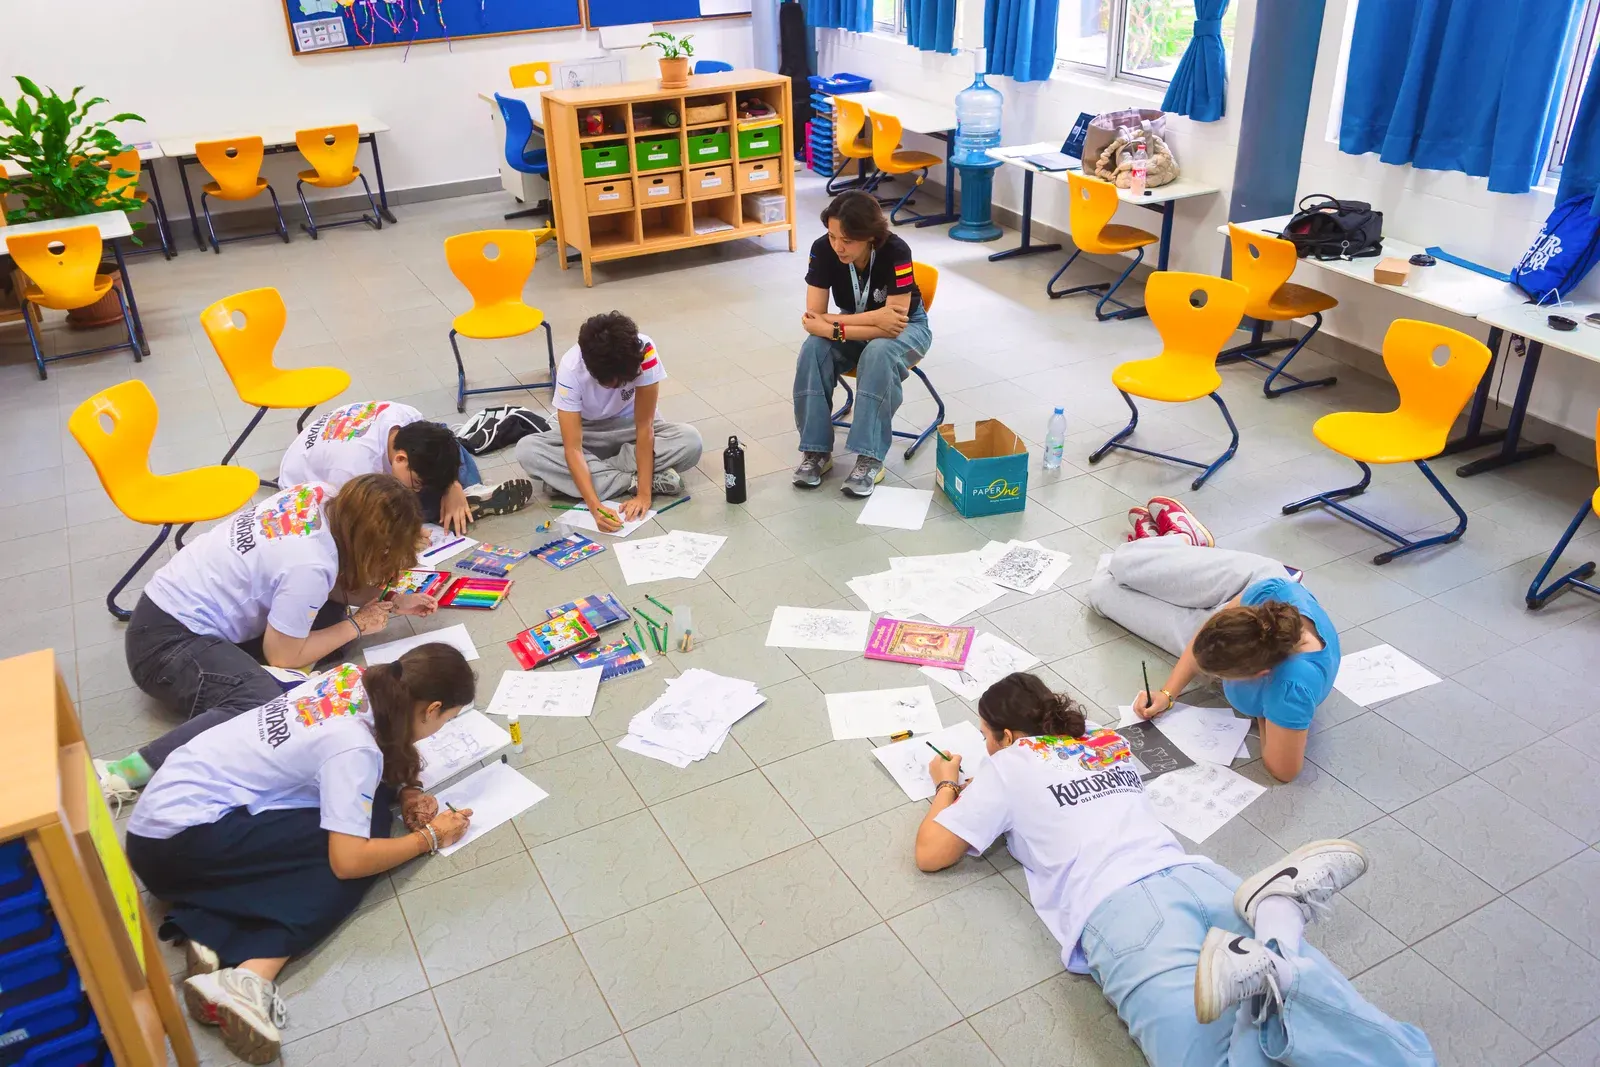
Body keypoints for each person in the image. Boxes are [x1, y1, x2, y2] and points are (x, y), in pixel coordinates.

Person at [913, 673, 1435, 1067]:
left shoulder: (1007, 763)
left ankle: (1277, 937)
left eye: (986, 736)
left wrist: (947, 782)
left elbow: (931, 853)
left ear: (1006, 736)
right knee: (1353, 1026)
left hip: (1124, 910)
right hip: (1201, 879)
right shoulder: (1104, 740)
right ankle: (1277, 928)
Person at [124, 643, 476, 1066]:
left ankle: (211, 928)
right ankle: (248, 978)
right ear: (432, 709)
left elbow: (377, 752)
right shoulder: (354, 747)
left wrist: (408, 789)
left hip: (162, 817)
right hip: (174, 847)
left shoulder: (353, 679)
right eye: (447, 720)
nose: (441, 730)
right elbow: (350, 860)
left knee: (366, 814)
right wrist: (430, 838)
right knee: (358, 851)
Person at [99, 475, 432, 795]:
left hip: (164, 607)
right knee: (260, 701)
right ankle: (130, 770)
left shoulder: (321, 495)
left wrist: (391, 600)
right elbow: (283, 656)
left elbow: (339, 584)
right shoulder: (310, 565)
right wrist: (357, 625)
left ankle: (248, 672)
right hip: (164, 647)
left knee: (329, 620)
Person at [1087, 497, 1338, 782]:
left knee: (1101, 593)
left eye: (1218, 676)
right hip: (1251, 582)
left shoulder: (1289, 690)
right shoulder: (1267, 601)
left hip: (1256, 639)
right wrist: (1167, 694)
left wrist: (1266, 714)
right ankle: (1183, 539)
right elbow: (1205, 636)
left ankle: (1164, 554)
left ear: (1260, 674)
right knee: (1123, 561)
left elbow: (1284, 770)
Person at [792, 191, 931, 497]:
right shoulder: (822, 249)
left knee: (878, 353)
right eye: (832, 236)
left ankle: (870, 457)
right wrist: (866, 319)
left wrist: (833, 327)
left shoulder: (896, 251)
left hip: (907, 328)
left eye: (847, 240)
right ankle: (816, 451)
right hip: (853, 324)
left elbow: (893, 323)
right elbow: (814, 316)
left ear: (869, 236)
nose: (838, 247)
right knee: (813, 348)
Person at [515, 311, 702, 533]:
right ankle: (632, 481)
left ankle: (574, 481)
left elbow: (645, 427)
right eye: (613, 383)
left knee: (691, 440)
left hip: (631, 429)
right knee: (527, 450)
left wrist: (644, 495)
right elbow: (573, 449)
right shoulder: (571, 367)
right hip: (588, 435)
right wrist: (595, 507)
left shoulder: (643, 351)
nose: (619, 386)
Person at [278, 399, 534, 535]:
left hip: (339, 450)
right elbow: (351, 520)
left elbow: (437, 443)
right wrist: (406, 534)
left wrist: (451, 485)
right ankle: (459, 501)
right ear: (400, 459)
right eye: (418, 483)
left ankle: (463, 494)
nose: (419, 488)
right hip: (307, 490)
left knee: (445, 440)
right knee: (394, 515)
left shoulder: (405, 417)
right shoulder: (354, 470)